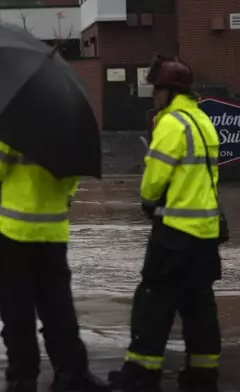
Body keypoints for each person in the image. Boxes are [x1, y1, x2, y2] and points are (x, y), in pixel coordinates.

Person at [0, 127, 108, 392]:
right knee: (58, 305)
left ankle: (23, 376)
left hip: (12, 227)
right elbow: (72, 175)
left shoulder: (4, 119)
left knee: (16, 308)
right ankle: (71, 372)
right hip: (53, 226)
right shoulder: (64, 122)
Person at [108, 57, 223, 392]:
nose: (154, 96)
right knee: (199, 306)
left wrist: (149, 200)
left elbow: (152, 184)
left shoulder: (171, 124)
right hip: (206, 233)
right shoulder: (203, 120)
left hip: (174, 233)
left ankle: (141, 374)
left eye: (156, 89)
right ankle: (203, 373)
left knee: (152, 303)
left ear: (169, 91)